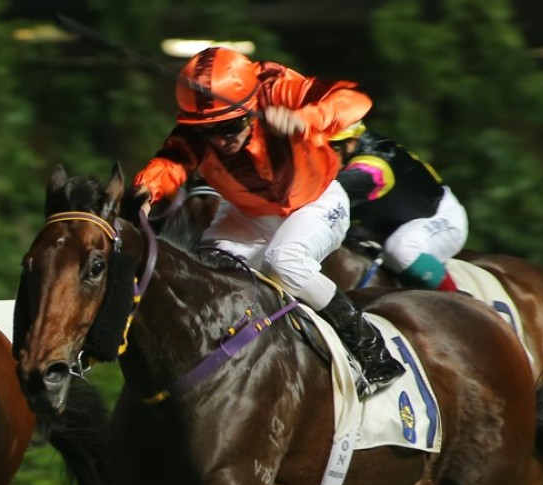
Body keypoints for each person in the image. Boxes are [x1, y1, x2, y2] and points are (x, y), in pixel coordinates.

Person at [133, 47, 404, 395]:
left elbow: (353, 100)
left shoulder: (277, 86)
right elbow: (169, 164)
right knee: (207, 271)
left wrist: (307, 118)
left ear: (248, 109)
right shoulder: (197, 131)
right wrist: (145, 191)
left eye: (230, 126)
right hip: (248, 216)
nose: (220, 140)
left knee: (284, 261)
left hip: (316, 202)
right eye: (209, 131)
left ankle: (372, 350)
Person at [330, 121, 467, 291]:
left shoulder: (371, 170)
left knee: (401, 249)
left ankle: (457, 301)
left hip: (441, 218)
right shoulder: (353, 143)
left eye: (327, 148)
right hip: (386, 226)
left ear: (350, 143)